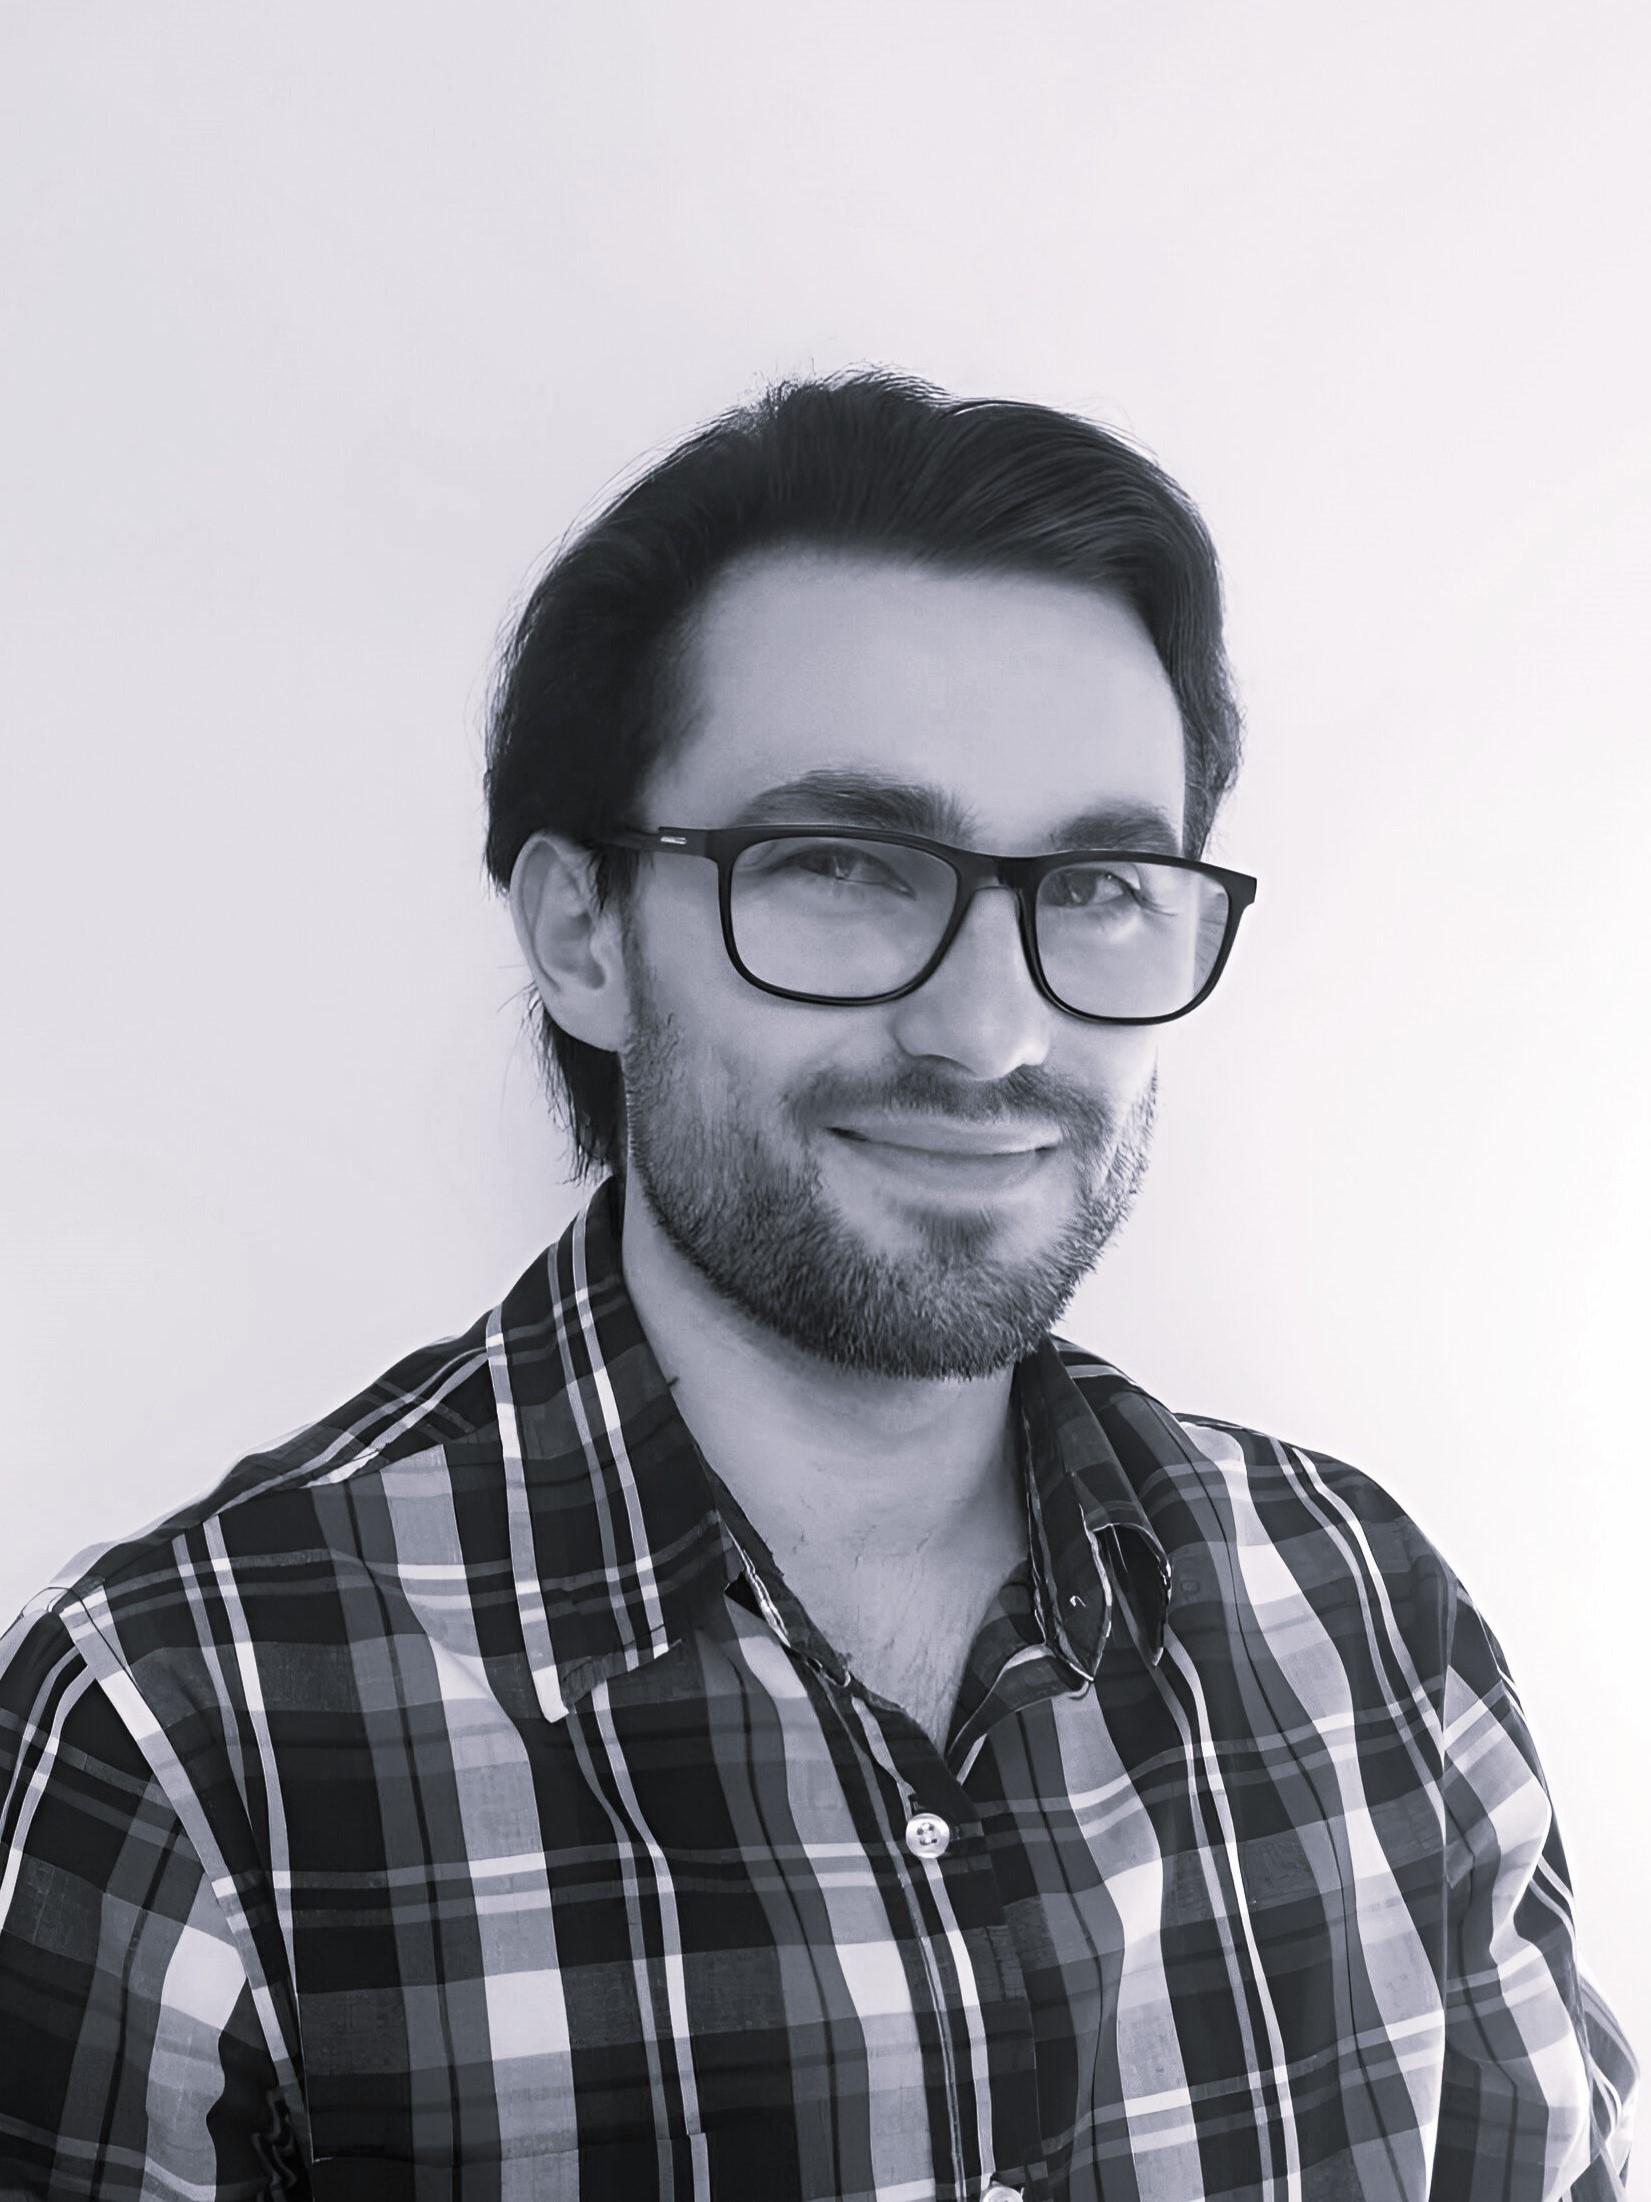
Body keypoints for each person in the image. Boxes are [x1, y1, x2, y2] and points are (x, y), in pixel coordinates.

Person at [0, 371, 1634, 2202]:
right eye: (845, 864)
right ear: (583, 934)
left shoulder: (1375, 1626)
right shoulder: (184, 1738)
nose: (991, 1031)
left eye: (1098, 883)